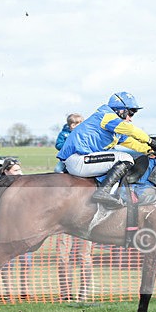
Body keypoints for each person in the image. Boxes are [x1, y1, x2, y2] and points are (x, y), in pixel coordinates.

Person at [57, 92, 156, 208]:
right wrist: (153, 142)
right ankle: (103, 192)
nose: (130, 118)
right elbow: (132, 131)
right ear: (120, 110)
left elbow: (132, 143)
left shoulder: (113, 127)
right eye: (131, 113)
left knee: (123, 158)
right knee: (126, 158)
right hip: (78, 160)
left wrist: (150, 150)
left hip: (81, 160)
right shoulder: (107, 116)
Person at [54, 112, 94, 301]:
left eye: (79, 123)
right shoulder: (65, 136)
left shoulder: (90, 136)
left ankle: (84, 292)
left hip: (85, 216)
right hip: (63, 218)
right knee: (63, 255)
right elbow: (60, 147)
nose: (75, 125)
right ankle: (65, 293)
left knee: (84, 256)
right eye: (72, 123)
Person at [0, 158, 32, 299]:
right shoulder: (0, 188)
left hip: (25, 231)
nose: (20, 173)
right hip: (6, 232)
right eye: (16, 170)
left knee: (26, 263)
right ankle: (9, 293)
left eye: (20, 170)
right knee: (6, 264)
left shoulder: (26, 187)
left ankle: (25, 292)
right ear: (6, 172)